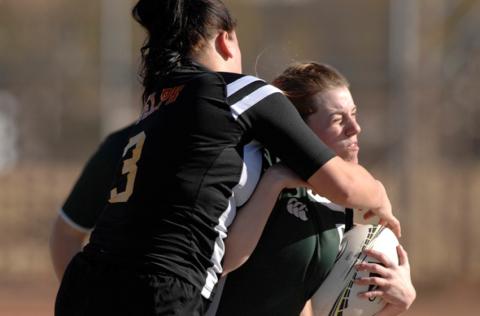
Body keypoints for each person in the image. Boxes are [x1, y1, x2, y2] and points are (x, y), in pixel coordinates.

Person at [54, 1, 400, 315]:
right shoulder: (237, 92)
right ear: (225, 39)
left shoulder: (155, 106)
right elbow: (342, 185)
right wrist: (380, 195)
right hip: (160, 289)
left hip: (84, 284)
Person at [210, 63, 416, 316]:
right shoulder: (257, 168)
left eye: (354, 114)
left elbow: (317, 307)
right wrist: (274, 182)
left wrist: (395, 305)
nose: (355, 128)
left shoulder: (343, 203)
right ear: (298, 129)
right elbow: (223, 262)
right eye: (338, 120)